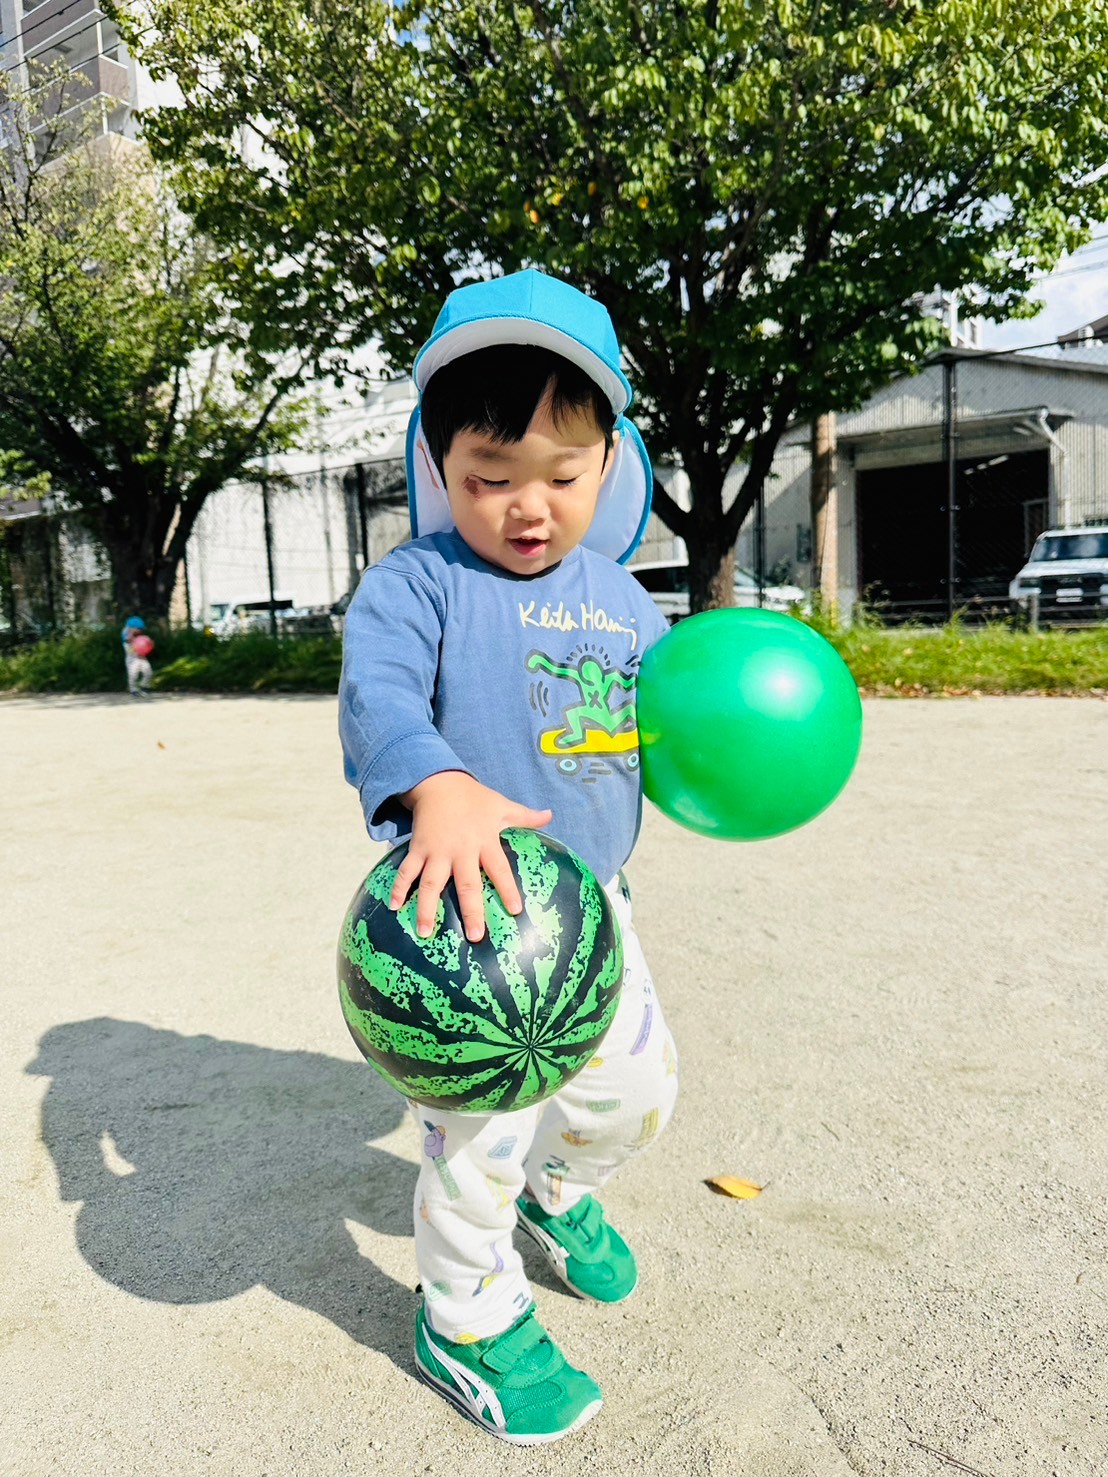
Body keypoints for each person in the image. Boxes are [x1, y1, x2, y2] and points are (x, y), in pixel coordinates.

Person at [339, 269, 680, 1445]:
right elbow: (378, 698)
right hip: (471, 927)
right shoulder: (417, 585)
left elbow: (673, 720)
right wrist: (433, 783)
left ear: (609, 462)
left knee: (635, 1097)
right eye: (490, 477)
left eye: (562, 476)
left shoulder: (623, 600)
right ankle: (467, 1315)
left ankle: (562, 1188)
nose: (527, 507)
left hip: (596, 911)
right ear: (440, 468)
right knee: (477, 1136)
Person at [121, 616, 153, 697]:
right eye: (139, 629)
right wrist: (131, 632)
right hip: (132, 659)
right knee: (133, 675)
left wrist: (149, 643)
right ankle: (133, 690)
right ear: (133, 628)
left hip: (142, 657)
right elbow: (129, 642)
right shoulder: (126, 636)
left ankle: (143, 686)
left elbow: (146, 645)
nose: (141, 630)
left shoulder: (140, 636)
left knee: (148, 673)